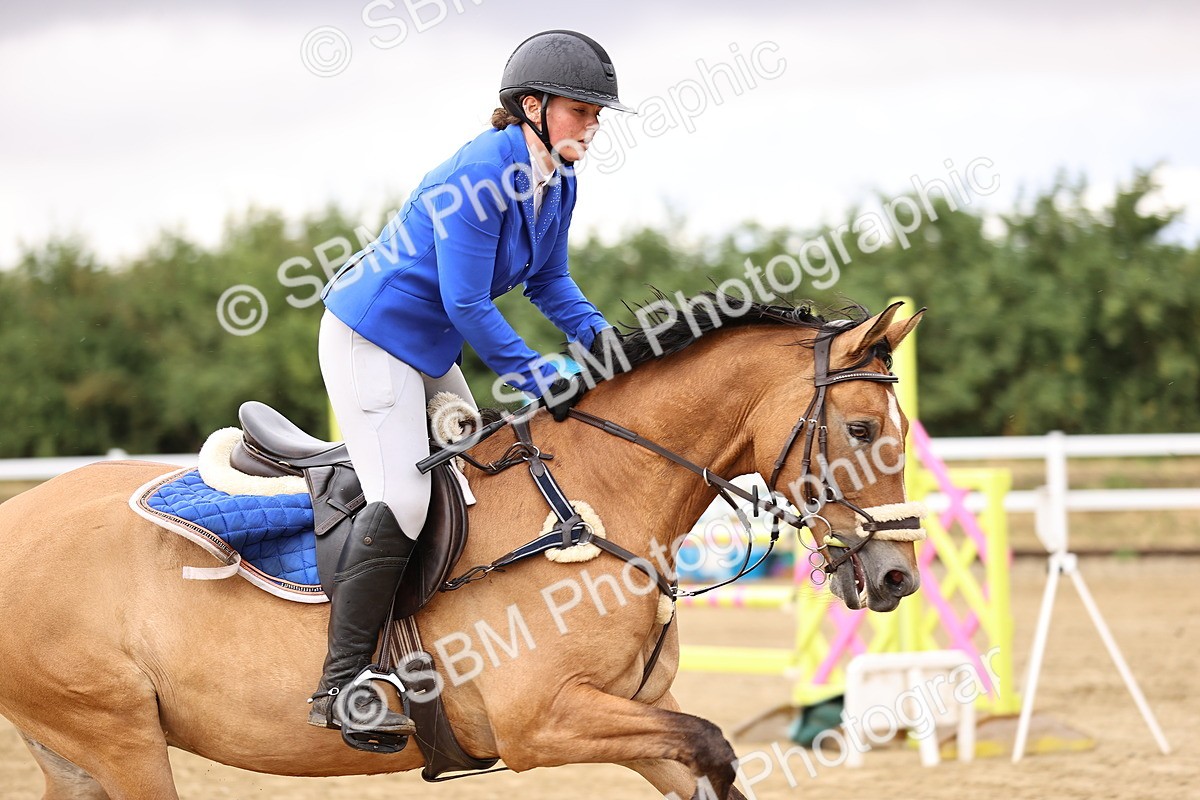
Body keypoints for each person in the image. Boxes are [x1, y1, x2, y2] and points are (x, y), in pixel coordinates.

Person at [307, 30, 634, 734]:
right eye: (583, 110)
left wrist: (611, 346)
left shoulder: (558, 178)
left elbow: (550, 283)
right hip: (372, 339)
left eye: (597, 112)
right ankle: (341, 686)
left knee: (485, 472)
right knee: (406, 494)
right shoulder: (478, 176)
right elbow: (466, 303)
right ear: (531, 106)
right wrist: (538, 371)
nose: (594, 124)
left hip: (424, 349)